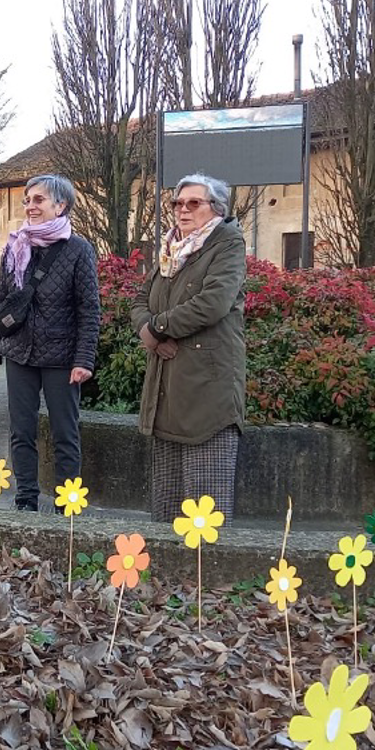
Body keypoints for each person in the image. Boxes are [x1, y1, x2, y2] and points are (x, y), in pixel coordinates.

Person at [0, 174, 99, 512]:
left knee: (65, 434)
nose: (30, 206)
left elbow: (89, 309)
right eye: (28, 200)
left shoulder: (78, 250)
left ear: (60, 205)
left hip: (62, 358)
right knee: (21, 431)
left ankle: (67, 506)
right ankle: (26, 501)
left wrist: (84, 359)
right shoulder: (16, 247)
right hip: (19, 353)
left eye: (39, 200)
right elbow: (2, 306)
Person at [130, 174, 247, 523]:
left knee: (204, 516)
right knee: (166, 514)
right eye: (177, 203)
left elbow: (213, 303)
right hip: (166, 395)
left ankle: (208, 578)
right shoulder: (170, 250)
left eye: (193, 203)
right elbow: (139, 300)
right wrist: (147, 331)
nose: (183, 210)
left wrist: (158, 328)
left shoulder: (227, 244)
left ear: (216, 208)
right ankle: (166, 578)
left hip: (206, 396)